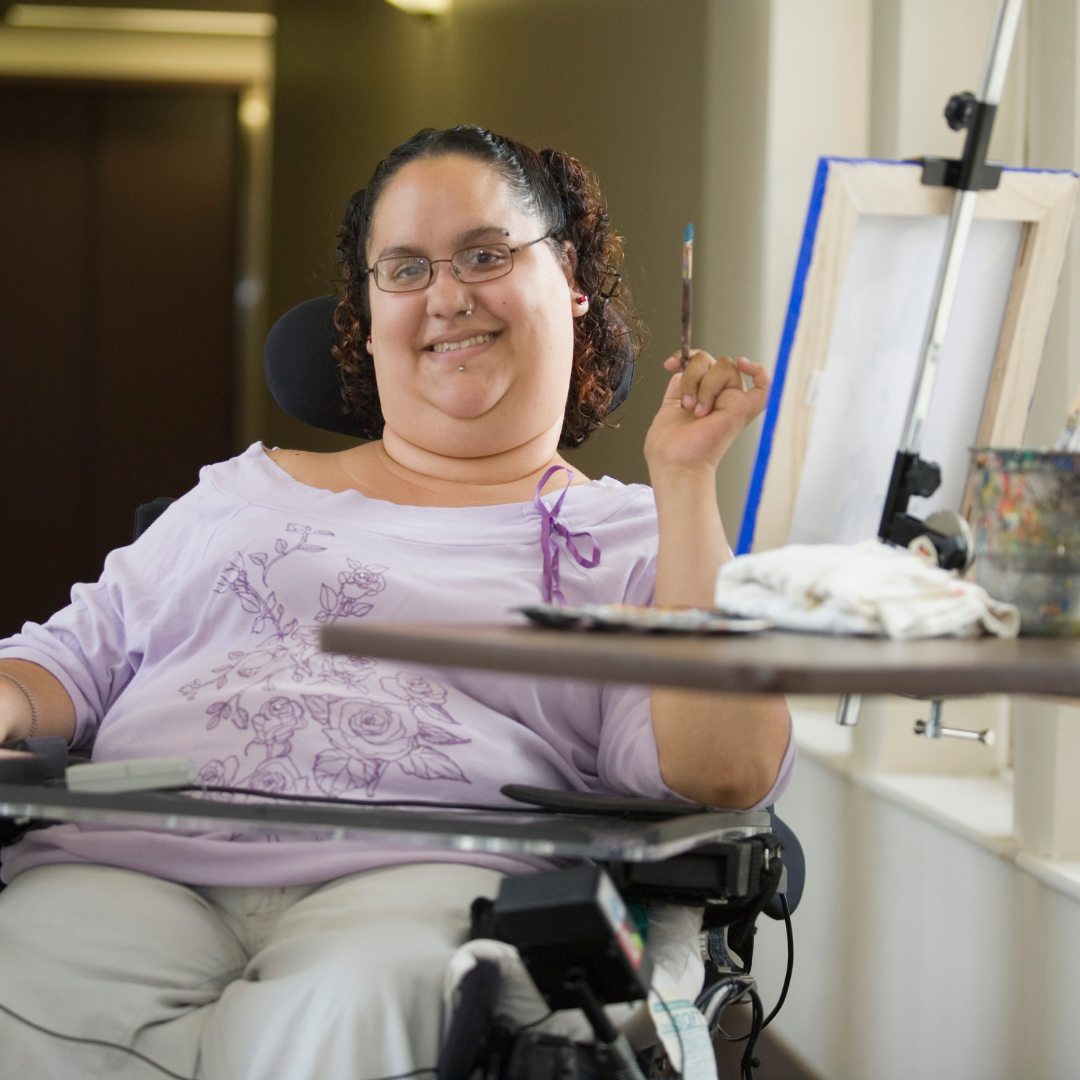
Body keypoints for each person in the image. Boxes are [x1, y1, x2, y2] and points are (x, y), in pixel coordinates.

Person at [0, 126, 792, 1080]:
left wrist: (686, 483)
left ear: (570, 277)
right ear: (368, 317)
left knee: (362, 1003)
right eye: (404, 269)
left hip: (418, 880)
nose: (448, 295)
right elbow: (71, 657)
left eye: (487, 254)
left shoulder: (638, 538)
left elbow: (724, 771)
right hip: (127, 858)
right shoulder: (242, 490)